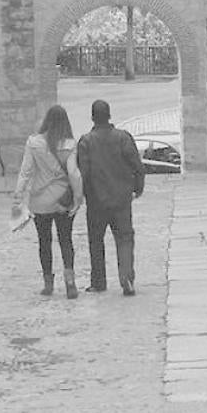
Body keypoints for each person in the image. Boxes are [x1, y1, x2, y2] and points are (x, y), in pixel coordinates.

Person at [76, 98, 146, 296]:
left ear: (92, 117)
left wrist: (82, 195)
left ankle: (98, 281)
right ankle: (126, 278)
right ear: (109, 116)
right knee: (124, 238)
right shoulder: (123, 137)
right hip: (121, 199)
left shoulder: (86, 142)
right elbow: (137, 165)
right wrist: (137, 187)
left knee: (96, 241)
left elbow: (84, 172)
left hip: (97, 201)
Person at [12, 104, 83, 298]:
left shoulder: (33, 143)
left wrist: (18, 195)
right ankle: (70, 281)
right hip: (62, 200)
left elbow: (26, 172)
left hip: (40, 200)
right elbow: (74, 173)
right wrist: (78, 197)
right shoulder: (69, 144)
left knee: (44, 241)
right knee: (66, 240)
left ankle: (48, 283)